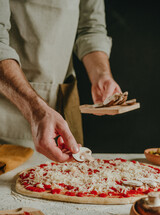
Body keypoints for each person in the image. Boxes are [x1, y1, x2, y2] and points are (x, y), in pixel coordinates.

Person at [0, 0, 121, 162]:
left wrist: (102, 75)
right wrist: (35, 109)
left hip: (62, 101)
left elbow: (91, 28)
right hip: (6, 105)